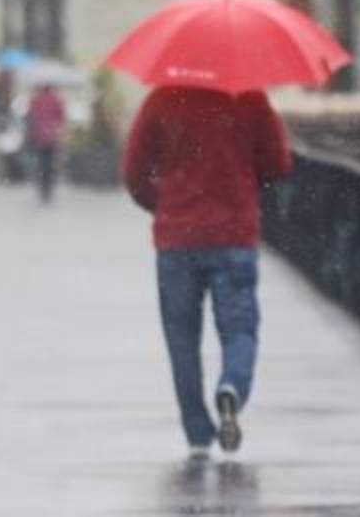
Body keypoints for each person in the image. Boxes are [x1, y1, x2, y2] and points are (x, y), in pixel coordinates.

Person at [122, 87, 291, 459]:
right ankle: (231, 386)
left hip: (176, 240)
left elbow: (133, 171)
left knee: (181, 338)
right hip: (234, 235)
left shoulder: (162, 99)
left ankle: (198, 432)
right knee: (240, 327)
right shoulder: (250, 99)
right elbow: (278, 163)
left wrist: (164, 205)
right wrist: (244, 186)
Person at [25, 83, 67, 203]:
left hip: (38, 137)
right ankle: (48, 187)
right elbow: (61, 118)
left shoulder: (35, 100)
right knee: (51, 164)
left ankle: (42, 186)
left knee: (41, 163)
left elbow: (30, 117)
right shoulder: (57, 100)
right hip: (52, 137)